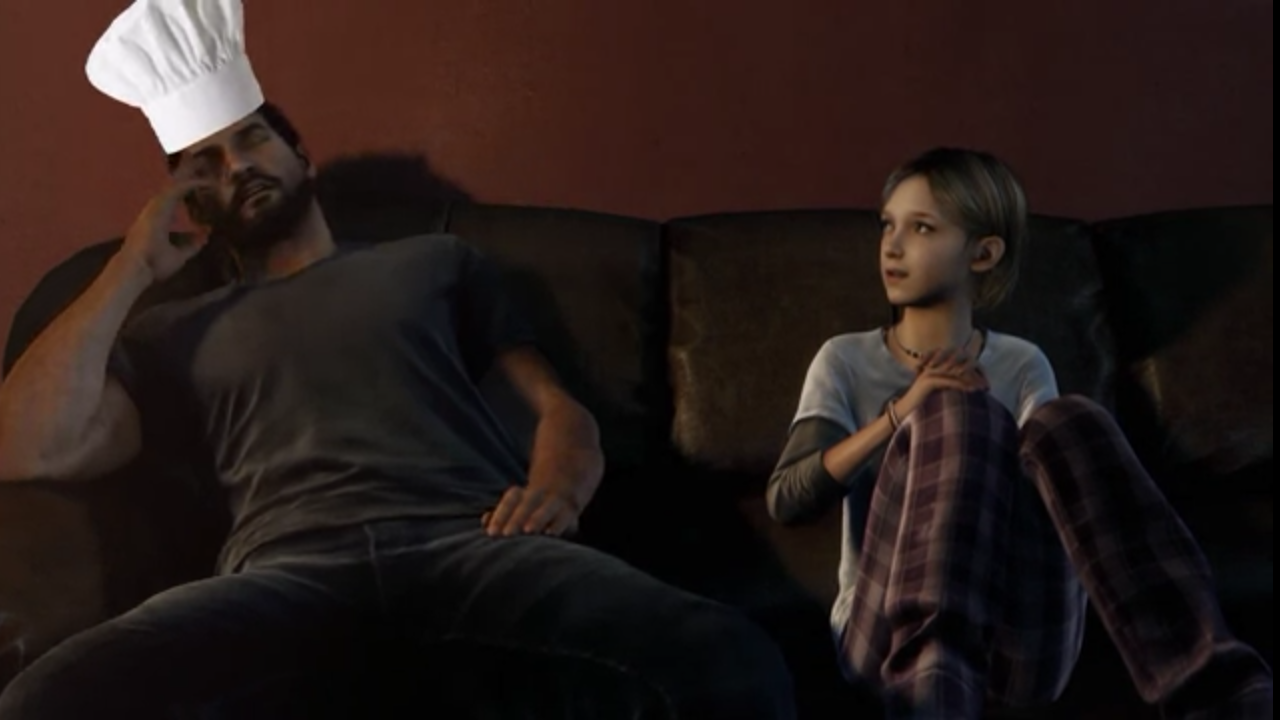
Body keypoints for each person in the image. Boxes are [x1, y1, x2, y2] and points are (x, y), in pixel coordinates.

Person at [0, 1, 795, 718]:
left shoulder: (432, 263)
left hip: (470, 545)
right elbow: (25, 447)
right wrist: (131, 268)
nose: (238, 167)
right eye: (205, 165)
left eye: (252, 139)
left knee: (733, 662)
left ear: (300, 155)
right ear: (189, 203)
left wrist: (557, 489)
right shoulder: (171, 330)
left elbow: (558, 409)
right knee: (44, 699)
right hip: (284, 574)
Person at [767, 147, 1274, 719]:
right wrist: (903, 411)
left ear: (983, 253)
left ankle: (1218, 695)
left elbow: (1055, 507)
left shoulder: (1022, 362)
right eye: (888, 225)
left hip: (1020, 638)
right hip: (886, 644)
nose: (892, 246)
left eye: (922, 228)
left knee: (1071, 419)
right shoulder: (845, 360)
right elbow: (788, 499)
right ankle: (933, 691)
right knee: (957, 414)